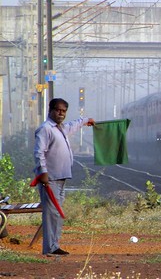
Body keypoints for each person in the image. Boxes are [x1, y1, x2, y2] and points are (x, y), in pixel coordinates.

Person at [33, 98, 95, 256]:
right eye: (58, 110)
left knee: (56, 214)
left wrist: (86, 120)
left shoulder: (60, 129)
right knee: (51, 214)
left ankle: (54, 245)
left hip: (61, 178)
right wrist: (43, 172)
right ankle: (50, 248)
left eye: (64, 111)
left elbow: (73, 125)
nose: (61, 113)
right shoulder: (45, 129)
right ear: (51, 110)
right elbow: (39, 153)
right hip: (50, 179)